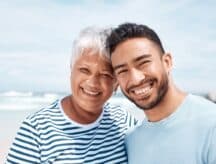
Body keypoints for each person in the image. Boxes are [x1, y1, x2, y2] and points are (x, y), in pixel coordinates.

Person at [6, 27, 138, 163]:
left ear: (116, 82)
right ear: (71, 70)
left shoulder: (123, 122)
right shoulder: (36, 130)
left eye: (105, 74)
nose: (92, 83)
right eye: (84, 70)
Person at [106, 22, 216, 164]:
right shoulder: (131, 140)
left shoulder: (211, 123)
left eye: (143, 63)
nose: (135, 79)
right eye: (122, 71)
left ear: (167, 62)